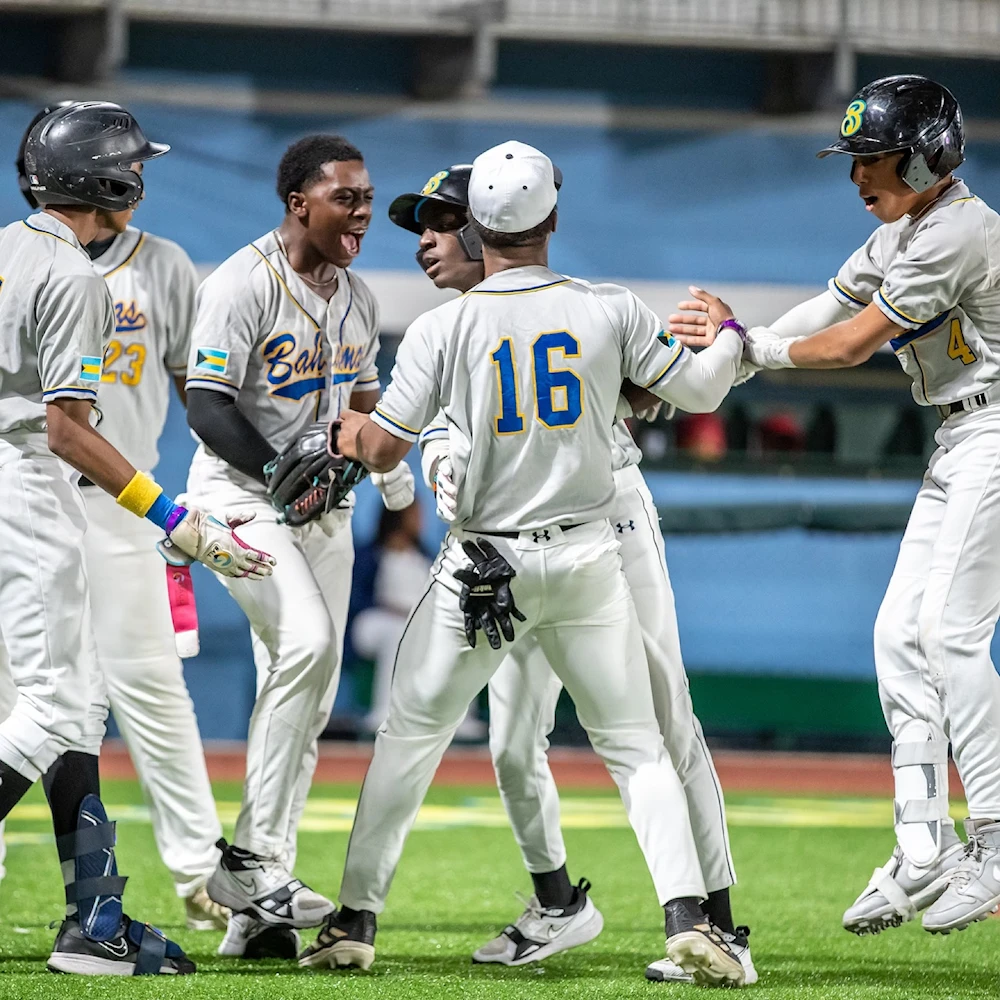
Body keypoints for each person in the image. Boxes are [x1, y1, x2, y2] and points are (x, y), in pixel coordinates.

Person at [298, 140, 749, 987]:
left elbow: (383, 440)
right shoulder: (605, 307)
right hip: (586, 554)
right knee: (635, 745)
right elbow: (695, 392)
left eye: (443, 222)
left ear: (478, 225)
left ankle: (355, 920)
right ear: (552, 216)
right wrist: (727, 335)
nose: (429, 238)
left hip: (483, 565)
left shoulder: (443, 326)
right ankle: (690, 917)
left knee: (409, 737)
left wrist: (345, 436)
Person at [670, 75, 1000, 937]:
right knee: (899, 637)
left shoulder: (957, 229)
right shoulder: (904, 229)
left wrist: (749, 348)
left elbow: (854, 343)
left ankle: (997, 846)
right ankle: (925, 845)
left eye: (875, 155)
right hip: (960, 440)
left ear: (928, 153)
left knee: (950, 636)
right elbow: (830, 307)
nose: (859, 173)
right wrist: (742, 348)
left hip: (997, 430)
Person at [0, 100, 273, 975]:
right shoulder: (77, 278)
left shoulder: (7, 246)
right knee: (49, 708)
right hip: (34, 495)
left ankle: (94, 919)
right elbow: (69, 431)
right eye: (132, 166)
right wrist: (176, 517)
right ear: (103, 178)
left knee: (73, 705)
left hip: (14, 491)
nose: (142, 179)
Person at [183, 134, 414, 958]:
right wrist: (279, 468)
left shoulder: (355, 295)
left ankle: (257, 910)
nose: (362, 213)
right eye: (345, 198)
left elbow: (363, 396)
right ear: (297, 203)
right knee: (310, 646)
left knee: (308, 696)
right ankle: (247, 862)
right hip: (237, 496)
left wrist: (388, 479)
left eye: (366, 196)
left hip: (320, 510)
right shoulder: (242, 283)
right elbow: (205, 404)